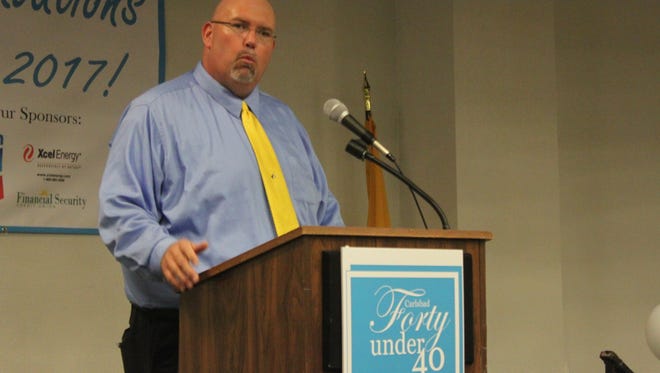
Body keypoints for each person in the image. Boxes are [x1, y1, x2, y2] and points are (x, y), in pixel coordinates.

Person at [97, 0, 343, 371]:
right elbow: (120, 211)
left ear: (272, 48)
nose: (250, 41)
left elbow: (325, 215)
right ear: (209, 35)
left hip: (291, 330)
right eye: (239, 26)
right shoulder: (154, 114)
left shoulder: (285, 123)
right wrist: (161, 251)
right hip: (188, 331)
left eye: (263, 33)